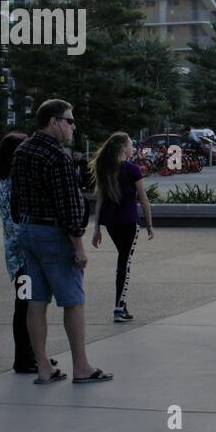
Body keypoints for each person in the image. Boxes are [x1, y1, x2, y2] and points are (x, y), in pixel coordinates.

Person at [11, 99, 111, 384]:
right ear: (53, 122)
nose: (72, 126)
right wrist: (78, 247)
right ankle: (81, 367)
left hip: (28, 233)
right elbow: (67, 205)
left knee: (36, 300)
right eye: (69, 120)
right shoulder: (57, 155)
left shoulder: (22, 150)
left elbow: (15, 198)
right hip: (54, 235)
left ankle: (43, 366)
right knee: (74, 301)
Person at [0, 131, 56, 376]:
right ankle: (24, 358)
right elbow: (15, 225)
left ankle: (34, 354)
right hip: (22, 259)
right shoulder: (10, 186)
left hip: (22, 258)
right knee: (24, 307)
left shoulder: (10, 182)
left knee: (30, 305)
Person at [90, 131, 154, 324]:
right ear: (123, 148)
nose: (132, 148)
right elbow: (143, 199)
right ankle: (119, 306)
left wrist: (97, 228)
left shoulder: (105, 169)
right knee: (124, 263)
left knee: (122, 260)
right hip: (128, 222)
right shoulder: (132, 169)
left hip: (110, 223)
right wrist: (149, 224)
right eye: (130, 145)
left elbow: (100, 199)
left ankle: (122, 305)